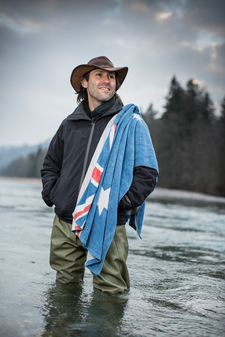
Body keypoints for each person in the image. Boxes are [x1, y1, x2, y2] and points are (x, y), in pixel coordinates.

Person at [41, 56, 158, 294]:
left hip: (107, 221)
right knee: (64, 291)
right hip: (66, 221)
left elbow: (148, 172)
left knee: (110, 294)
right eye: (99, 75)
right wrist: (54, 194)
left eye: (111, 76)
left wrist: (120, 202)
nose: (107, 81)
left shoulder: (130, 122)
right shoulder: (69, 124)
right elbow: (51, 165)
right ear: (84, 82)